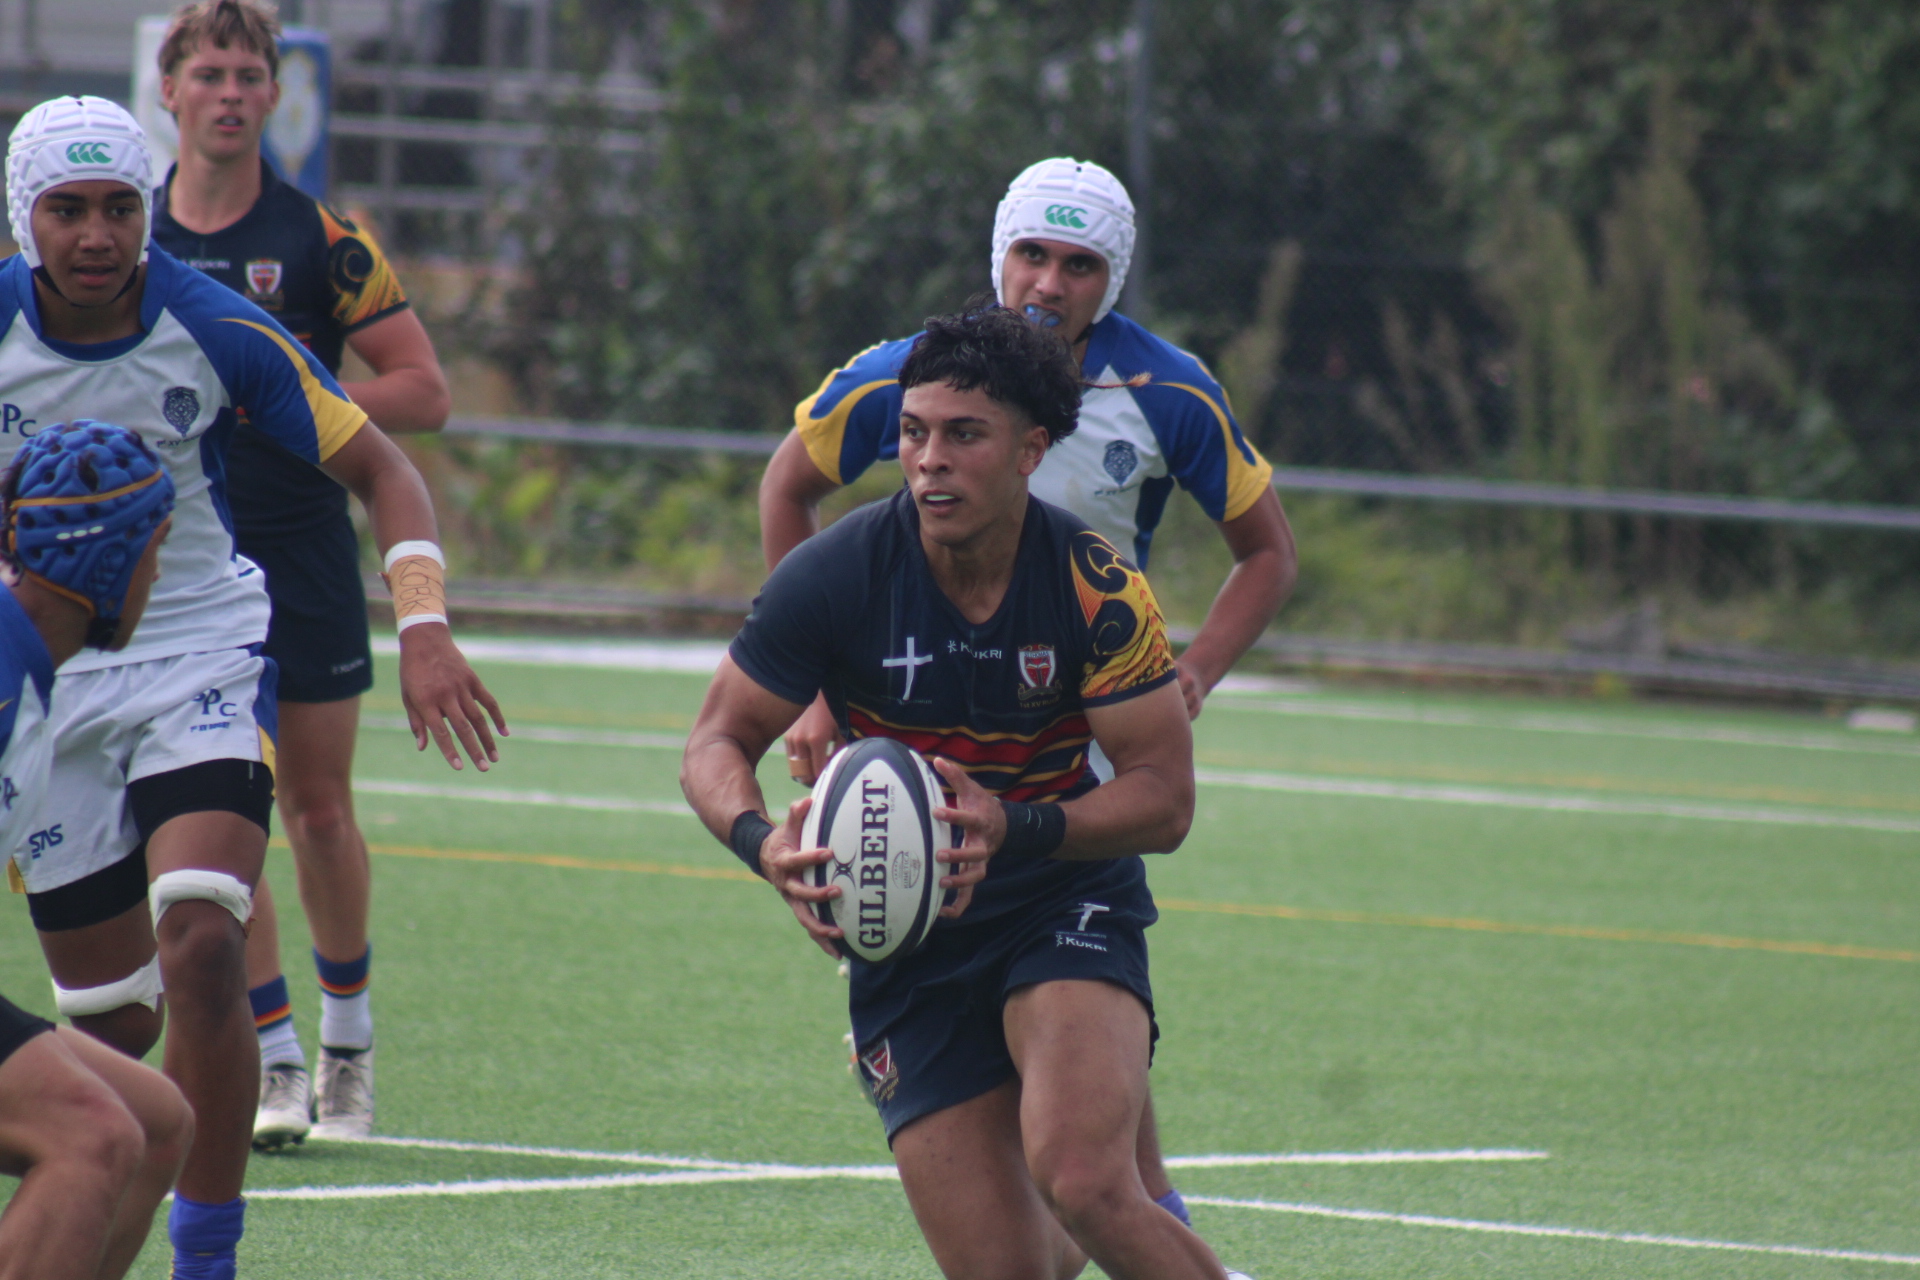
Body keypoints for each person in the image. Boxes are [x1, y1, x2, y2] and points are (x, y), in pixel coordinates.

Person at [0, 95, 504, 1280]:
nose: (96, 234)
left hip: (196, 652)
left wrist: (425, 626)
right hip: (44, 673)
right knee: (115, 1024)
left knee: (203, 942)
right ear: (24, 218)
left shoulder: (216, 325)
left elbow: (385, 468)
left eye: (119, 206)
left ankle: (208, 1258)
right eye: (66, 210)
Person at [759, 155, 1296, 1226]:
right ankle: (1162, 1235)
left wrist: (1188, 674)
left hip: (1075, 729)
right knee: (1084, 1118)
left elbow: (1268, 552)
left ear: (1114, 279)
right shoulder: (915, 376)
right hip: (925, 717)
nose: (1049, 283)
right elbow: (787, 487)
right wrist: (813, 690)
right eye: (1031, 254)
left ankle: (1157, 1232)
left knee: (1084, 1044)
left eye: (1079, 264)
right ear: (998, 253)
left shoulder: (1168, 391)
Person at [685, 302, 1241, 1280]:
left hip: (1061, 899)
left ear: (1031, 450)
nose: (929, 460)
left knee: (1084, 1177)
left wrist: (1011, 824)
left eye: (963, 435)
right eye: (913, 432)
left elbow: (1165, 800)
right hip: (906, 939)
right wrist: (761, 840)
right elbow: (715, 740)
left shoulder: (1096, 584)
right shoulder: (836, 572)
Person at [152, 0, 454, 1148]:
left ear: (277, 96)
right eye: (209, 74)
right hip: (184, 570)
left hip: (309, 559)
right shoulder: (131, 241)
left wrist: (288, 393)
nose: (229, 94)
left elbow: (423, 390)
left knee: (319, 810)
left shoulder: (326, 240)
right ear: (169, 92)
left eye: (248, 75)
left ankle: (348, 1046)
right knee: (222, 808)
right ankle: (275, 1057)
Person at [0, 420, 194, 1280]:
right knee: (93, 1133)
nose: (159, 576)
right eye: (157, 550)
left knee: (154, 1121)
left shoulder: (27, 663)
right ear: (109, 561)